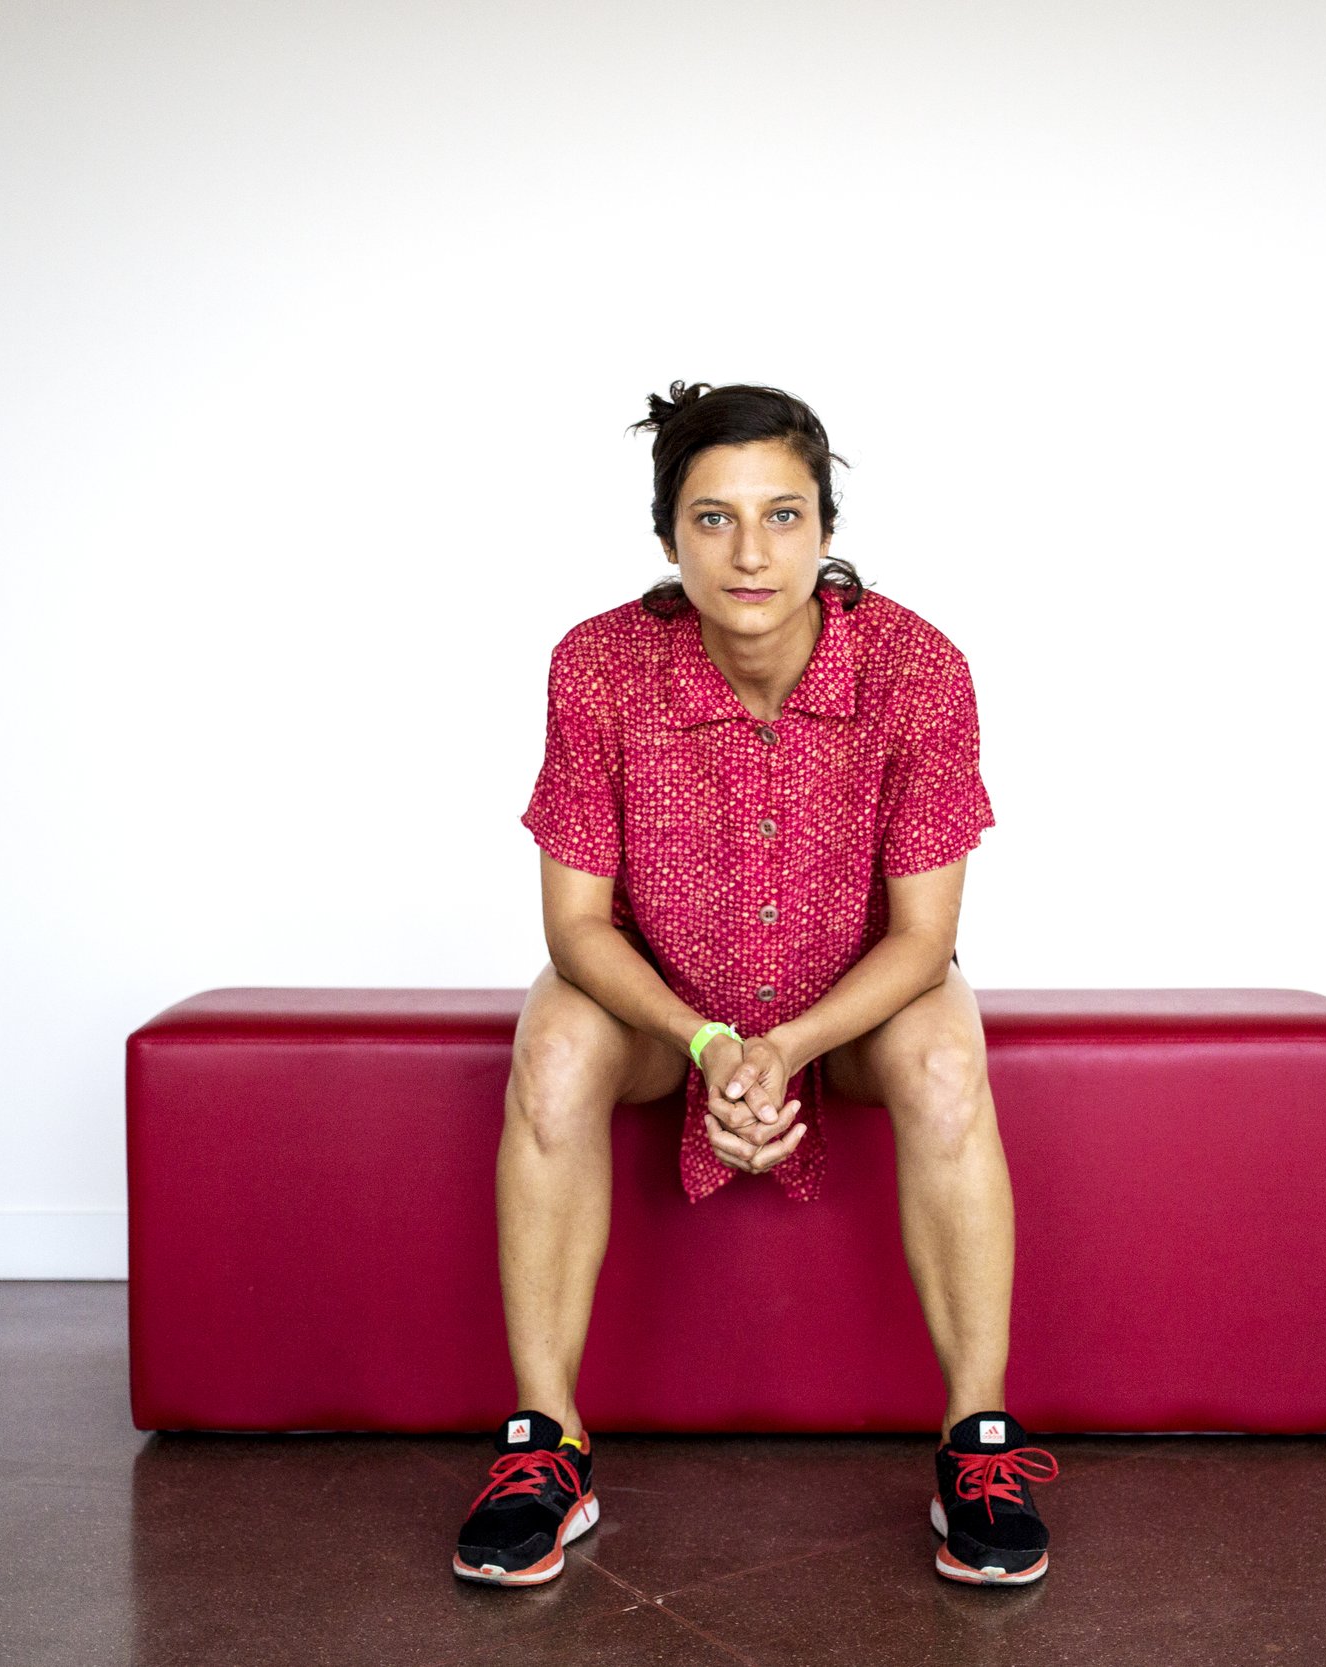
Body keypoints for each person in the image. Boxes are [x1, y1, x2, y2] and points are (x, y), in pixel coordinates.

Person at [452, 382, 1057, 1589]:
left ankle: (977, 1438)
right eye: (713, 518)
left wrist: (783, 1044)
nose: (749, 550)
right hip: (662, 1012)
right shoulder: (598, 664)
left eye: (782, 514)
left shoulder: (920, 666)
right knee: (554, 1042)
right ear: (669, 538)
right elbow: (574, 926)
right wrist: (706, 1037)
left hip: (856, 1009)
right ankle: (543, 1441)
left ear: (826, 528)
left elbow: (925, 935)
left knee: (946, 1052)